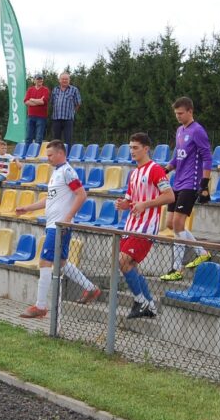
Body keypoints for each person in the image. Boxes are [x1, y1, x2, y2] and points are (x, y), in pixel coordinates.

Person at [16, 139, 102, 318]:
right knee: (61, 262)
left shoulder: (67, 171)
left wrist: (67, 218)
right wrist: (28, 208)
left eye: (50, 155)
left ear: (60, 153)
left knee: (45, 262)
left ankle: (40, 306)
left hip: (59, 226)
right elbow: (49, 199)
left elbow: (82, 194)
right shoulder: (57, 173)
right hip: (54, 225)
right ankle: (90, 288)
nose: (48, 159)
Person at [116, 133, 175, 319]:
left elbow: (170, 196)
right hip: (131, 225)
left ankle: (140, 301)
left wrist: (145, 205)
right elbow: (130, 199)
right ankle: (149, 305)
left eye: (135, 147)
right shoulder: (134, 173)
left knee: (123, 261)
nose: (132, 151)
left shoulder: (155, 169)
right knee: (130, 265)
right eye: (130, 147)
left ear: (146, 148)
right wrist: (123, 204)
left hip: (146, 226)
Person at [158, 97, 212, 282]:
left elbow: (207, 157)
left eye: (180, 113)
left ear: (190, 111)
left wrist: (204, 183)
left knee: (179, 225)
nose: (178, 117)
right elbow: (176, 157)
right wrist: (165, 170)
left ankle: (176, 269)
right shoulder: (180, 130)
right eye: (176, 114)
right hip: (178, 182)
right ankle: (202, 252)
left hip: (191, 183)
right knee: (171, 224)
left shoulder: (198, 131)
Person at [50, 72, 82, 147]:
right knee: (56, 140)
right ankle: (56, 156)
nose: (64, 80)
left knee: (68, 139)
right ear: (59, 80)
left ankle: (67, 156)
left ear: (69, 80)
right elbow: (52, 102)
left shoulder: (74, 90)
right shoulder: (55, 90)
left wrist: (72, 112)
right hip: (56, 118)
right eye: (63, 79)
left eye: (66, 79)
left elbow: (78, 103)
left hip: (68, 119)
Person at [23, 74, 51, 146]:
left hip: (41, 117)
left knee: (39, 137)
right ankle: (27, 153)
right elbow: (26, 101)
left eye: (41, 79)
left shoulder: (45, 90)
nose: (40, 80)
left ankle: (37, 153)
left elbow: (43, 102)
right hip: (30, 116)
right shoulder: (30, 89)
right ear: (34, 80)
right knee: (28, 136)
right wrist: (38, 101)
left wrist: (32, 100)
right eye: (38, 79)